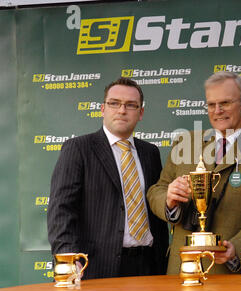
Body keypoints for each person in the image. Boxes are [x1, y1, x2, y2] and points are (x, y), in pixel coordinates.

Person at [147, 71, 241, 274]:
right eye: (211, 104)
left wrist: (236, 249)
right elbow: (157, 189)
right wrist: (169, 200)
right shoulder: (184, 143)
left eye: (225, 103)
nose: (217, 111)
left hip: (228, 275)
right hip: (182, 270)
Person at [47, 77, 168, 279]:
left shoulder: (150, 152)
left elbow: (156, 206)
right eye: (114, 103)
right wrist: (68, 257)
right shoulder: (78, 149)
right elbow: (61, 209)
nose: (122, 110)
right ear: (103, 109)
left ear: (141, 113)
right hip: (96, 267)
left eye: (131, 105)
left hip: (149, 265)